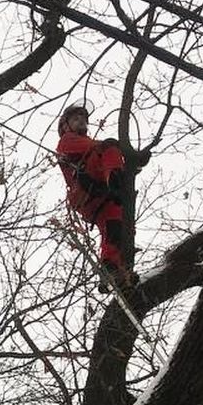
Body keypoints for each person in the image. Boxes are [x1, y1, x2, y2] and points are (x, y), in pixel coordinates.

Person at [55, 104, 138, 292]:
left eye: (83, 118)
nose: (81, 121)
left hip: (103, 197)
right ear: (65, 126)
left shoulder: (91, 146)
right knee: (109, 146)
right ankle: (115, 180)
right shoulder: (68, 141)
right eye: (76, 119)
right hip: (88, 190)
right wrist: (122, 152)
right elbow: (98, 147)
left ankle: (114, 269)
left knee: (118, 228)